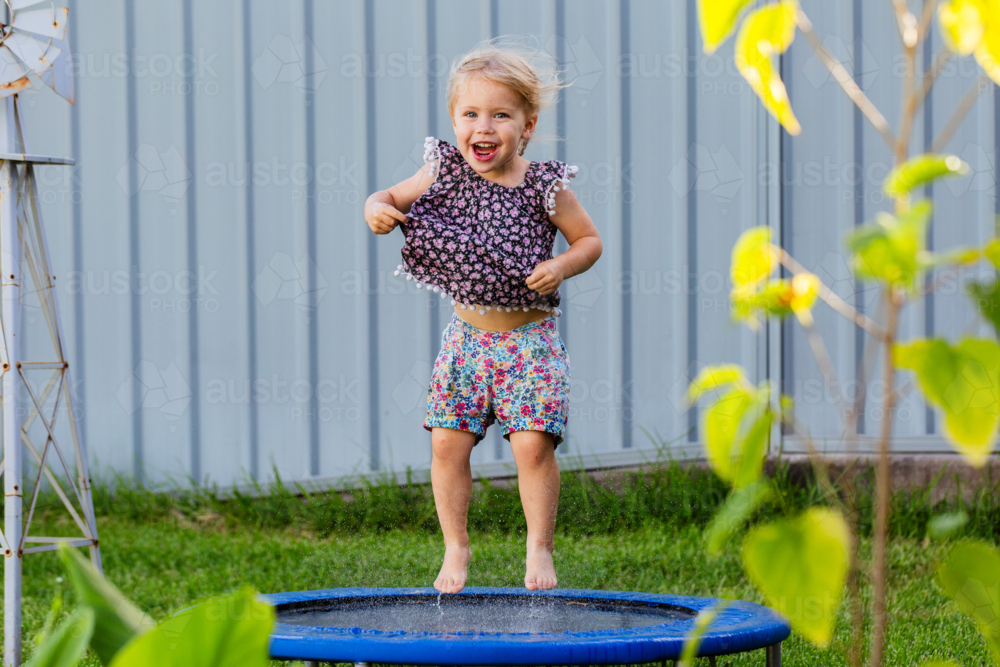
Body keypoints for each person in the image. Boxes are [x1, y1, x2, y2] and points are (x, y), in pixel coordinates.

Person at [363, 37, 602, 594]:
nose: (484, 127)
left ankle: (538, 546)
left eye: (501, 115)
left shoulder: (546, 187)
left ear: (528, 125)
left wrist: (563, 264)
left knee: (531, 444)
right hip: (466, 342)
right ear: (453, 120)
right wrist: (376, 210)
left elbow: (589, 241)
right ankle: (456, 546)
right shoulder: (442, 170)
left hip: (531, 344)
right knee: (446, 442)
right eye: (470, 114)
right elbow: (387, 196)